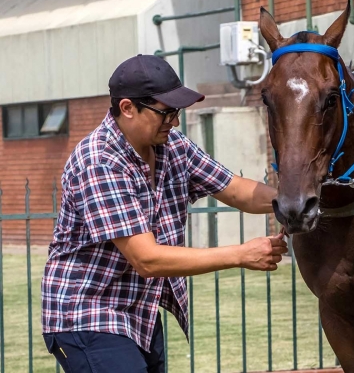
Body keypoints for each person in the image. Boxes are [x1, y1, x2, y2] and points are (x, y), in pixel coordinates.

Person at [40, 55, 288, 373]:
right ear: (128, 108)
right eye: (166, 113)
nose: (175, 122)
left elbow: (235, 189)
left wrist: (295, 201)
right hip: (87, 311)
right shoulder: (100, 161)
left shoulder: (173, 147)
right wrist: (241, 254)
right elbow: (148, 260)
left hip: (139, 312)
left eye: (177, 112)